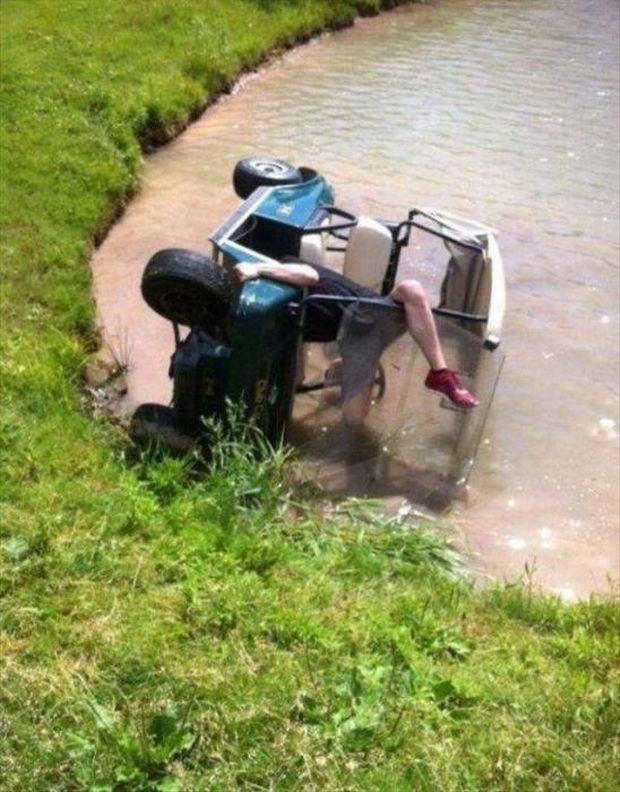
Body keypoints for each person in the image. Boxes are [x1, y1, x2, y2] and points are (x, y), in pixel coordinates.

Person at [232, 260, 478, 425]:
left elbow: (309, 275)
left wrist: (257, 269)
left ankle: (441, 374)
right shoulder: (284, 319)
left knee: (411, 289)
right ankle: (344, 367)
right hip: (355, 342)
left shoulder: (286, 267)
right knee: (354, 421)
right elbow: (296, 378)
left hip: (370, 313)